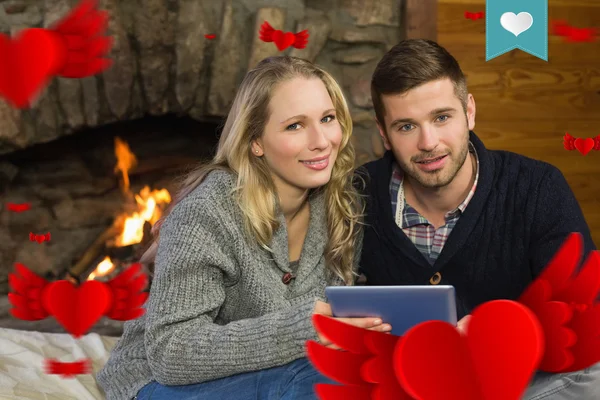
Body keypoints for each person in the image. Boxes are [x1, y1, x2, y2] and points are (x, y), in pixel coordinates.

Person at [96, 56, 391, 400]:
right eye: (295, 126)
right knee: (322, 384)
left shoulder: (341, 205)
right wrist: (303, 330)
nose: (321, 140)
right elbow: (171, 352)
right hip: (162, 383)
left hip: (282, 373)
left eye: (327, 119)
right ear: (256, 142)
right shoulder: (206, 213)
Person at [355, 39, 600, 399]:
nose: (428, 142)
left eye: (442, 117)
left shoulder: (536, 186)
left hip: (521, 378)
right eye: (406, 127)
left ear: (469, 111)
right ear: (384, 134)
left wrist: (498, 334)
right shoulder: (355, 195)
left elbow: (585, 314)